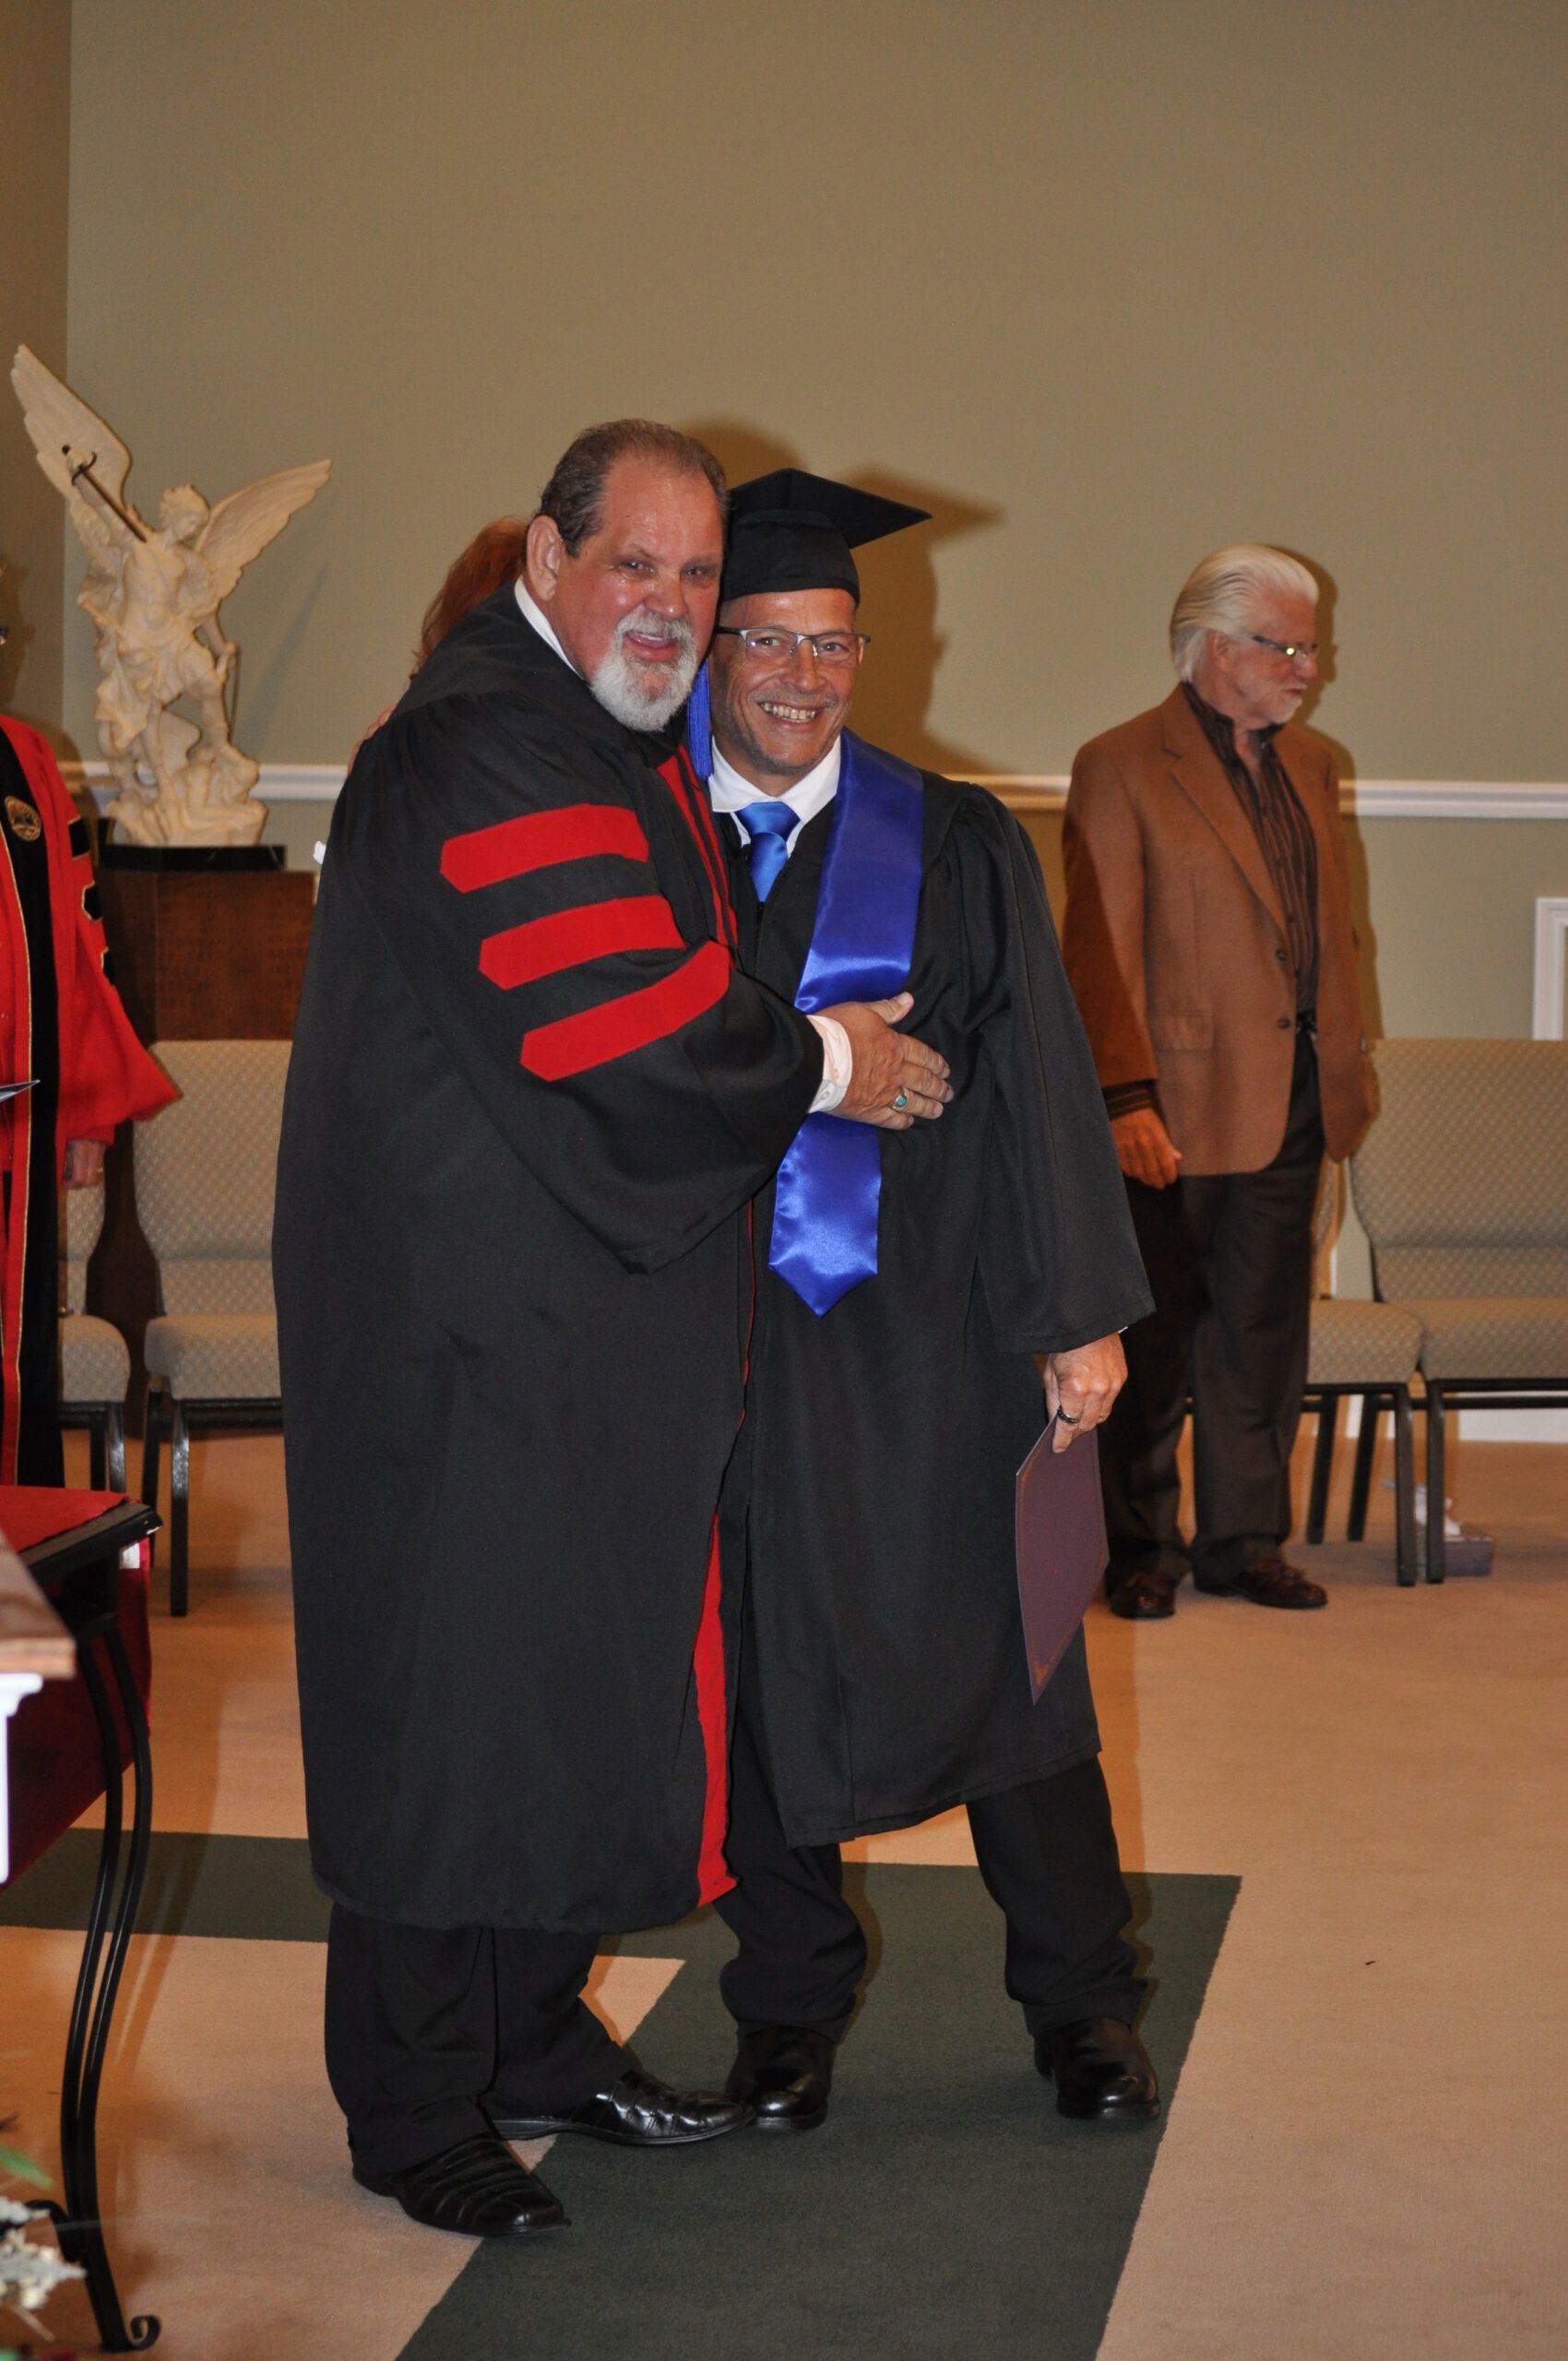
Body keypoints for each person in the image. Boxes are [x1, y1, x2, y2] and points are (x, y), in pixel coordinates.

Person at [272, 422, 952, 2240]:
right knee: (450, 1707)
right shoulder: (481, 740)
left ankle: (525, 2034)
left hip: (570, 1329)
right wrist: (829, 1062)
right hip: (466, 1342)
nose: (670, 603)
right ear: (544, 558)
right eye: (634, 562)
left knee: (561, 1696)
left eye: (695, 572)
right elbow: (619, 1023)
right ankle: (415, 2099)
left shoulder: (594, 734)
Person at [656, 470, 1159, 2136]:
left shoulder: (950, 839)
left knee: (1012, 1658)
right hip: (715, 1329)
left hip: (930, 1323)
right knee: (758, 1669)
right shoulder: (640, 834)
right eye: (768, 641)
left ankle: (1084, 2003)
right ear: (711, 647)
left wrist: (1076, 1310)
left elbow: (1038, 1086)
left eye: (834, 644)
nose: (803, 677)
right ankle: (786, 2011)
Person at [1062, 545, 1375, 1620]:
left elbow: (1325, 928)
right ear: (1210, 645)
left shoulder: (1313, 763)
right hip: (1171, 1106)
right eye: (1283, 647)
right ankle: (1136, 1549)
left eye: (1308, 647)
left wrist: (1342, 1057)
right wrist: (1121, 1098)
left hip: (1293, 1095)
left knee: (1261, 1336)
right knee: (1151, 1341)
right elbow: (1099, 950)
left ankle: (1242, 1544)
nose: (1305, 669)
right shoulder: (1119, 764)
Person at [0, 696, 174, 1483]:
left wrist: (87, 1114)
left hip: (20, 1124)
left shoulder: (26, 761)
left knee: (19, 1353)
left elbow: (80, 944)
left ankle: (21, 1541)